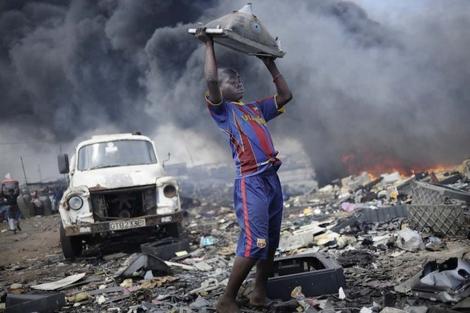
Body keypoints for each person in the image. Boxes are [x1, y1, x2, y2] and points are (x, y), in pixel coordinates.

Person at [195, 29, 293, 313]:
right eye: (231, 80)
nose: (238, 82)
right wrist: (209, 43)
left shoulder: (255, 108)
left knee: (271, 240)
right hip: (250, 183)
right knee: (255, 242)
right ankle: (226, 299)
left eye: (239, 79)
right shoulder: (222, 110)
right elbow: (211, 78)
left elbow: (285, 95)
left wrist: (269, 62)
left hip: (271, 179)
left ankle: (259, 293)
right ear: (219, 89)